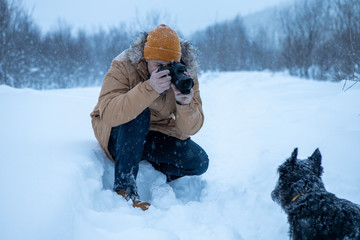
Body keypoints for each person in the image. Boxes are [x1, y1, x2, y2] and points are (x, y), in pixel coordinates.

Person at [90, 24, 209, 210]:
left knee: (199, 161)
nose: (165, 71)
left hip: (154, 134)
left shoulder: (185, 73)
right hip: (118, 130)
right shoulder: (123, 65)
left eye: (170, 66)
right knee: (139, 111)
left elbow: (191, 129)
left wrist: (184, 104)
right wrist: (149, 88)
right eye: (158, 66)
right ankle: (125, 189)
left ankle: (148, 169)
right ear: (146, 59)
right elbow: (109, 114)